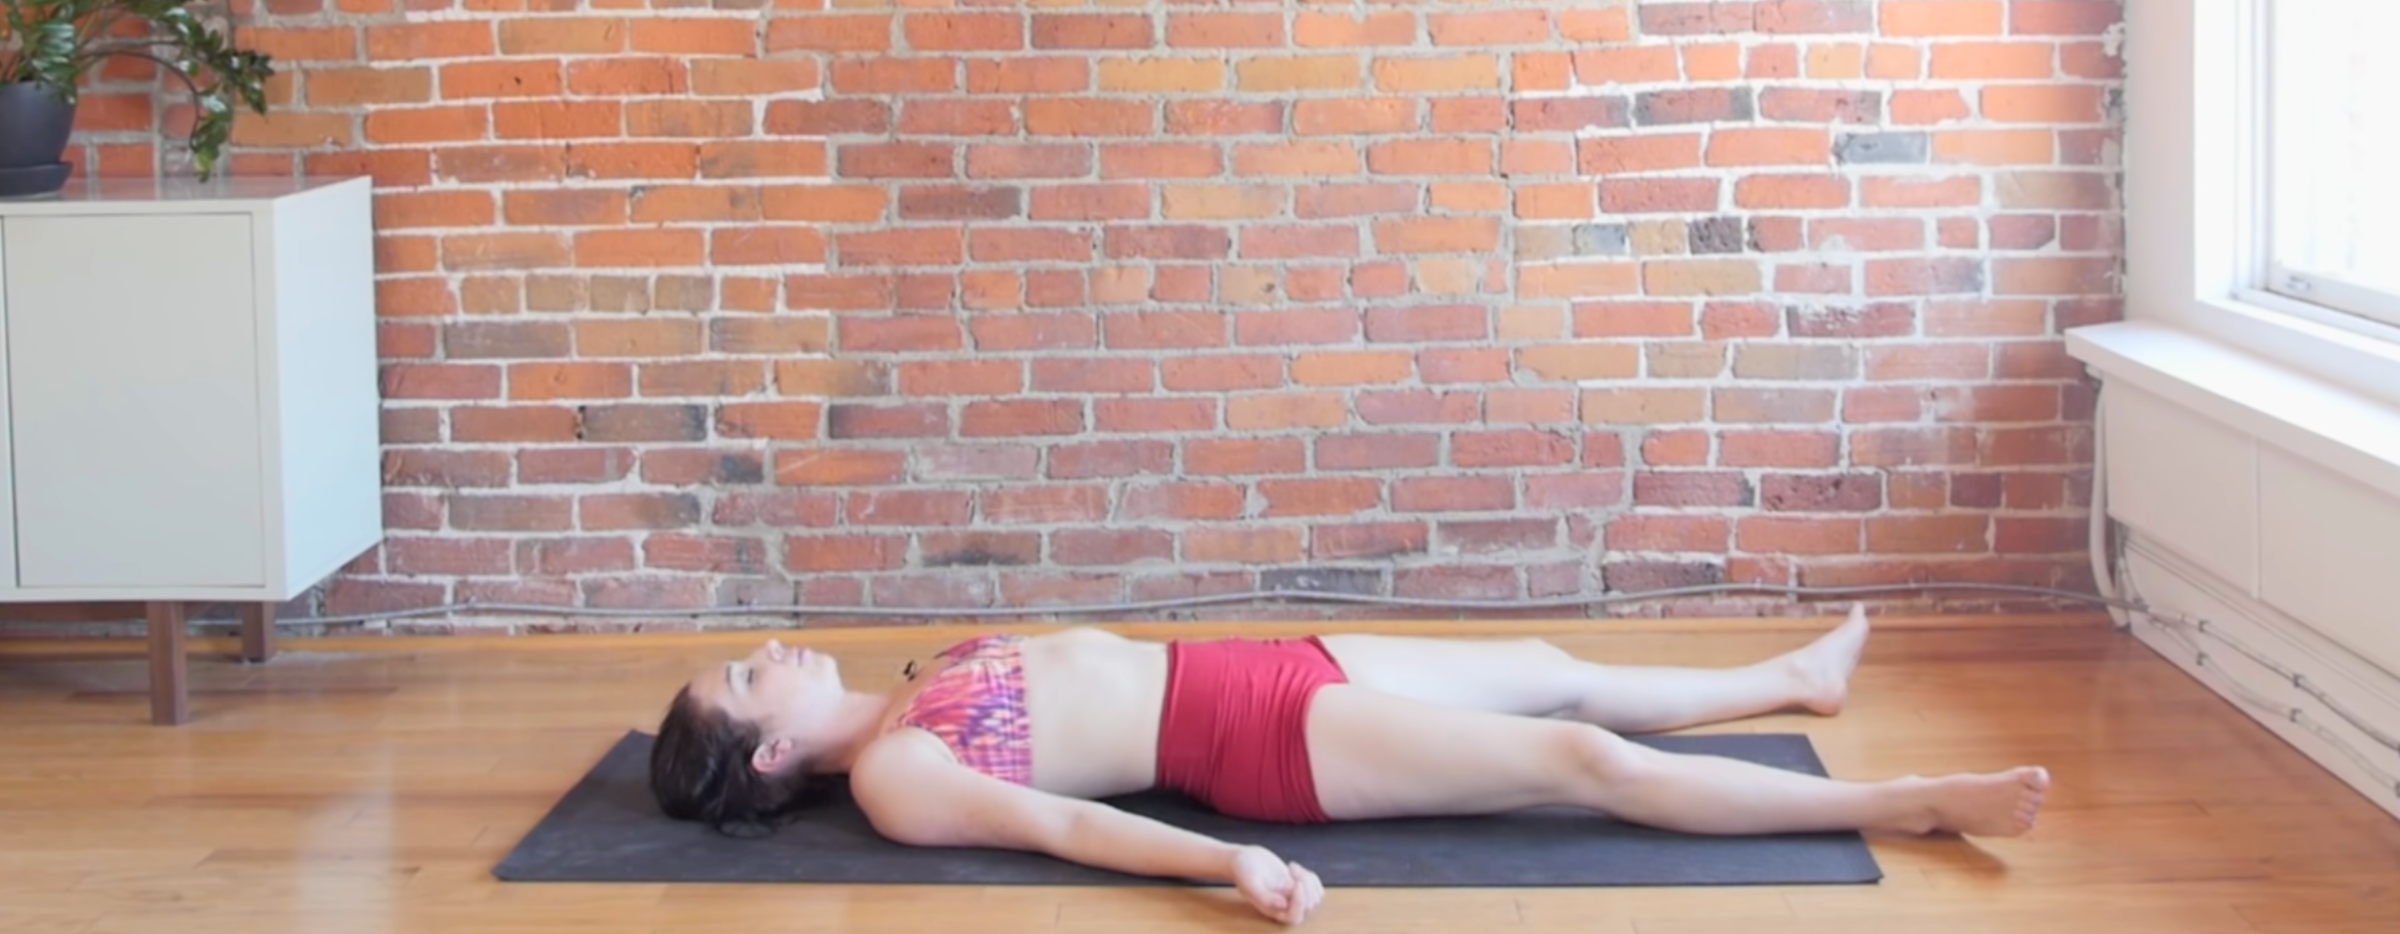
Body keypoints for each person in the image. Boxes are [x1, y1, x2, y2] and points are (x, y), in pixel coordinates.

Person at [648, 605, 2048, 926]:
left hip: (1276, 658)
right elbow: (1066, 827)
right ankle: (1901, 801)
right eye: (748, 669)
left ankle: (1791, 679)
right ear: (767, 745)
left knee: (1556, 660)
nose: (772, 644)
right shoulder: (900, 771)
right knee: (1575, 756)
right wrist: (1227, 860)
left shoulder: (917, 680)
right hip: (1262, 744)